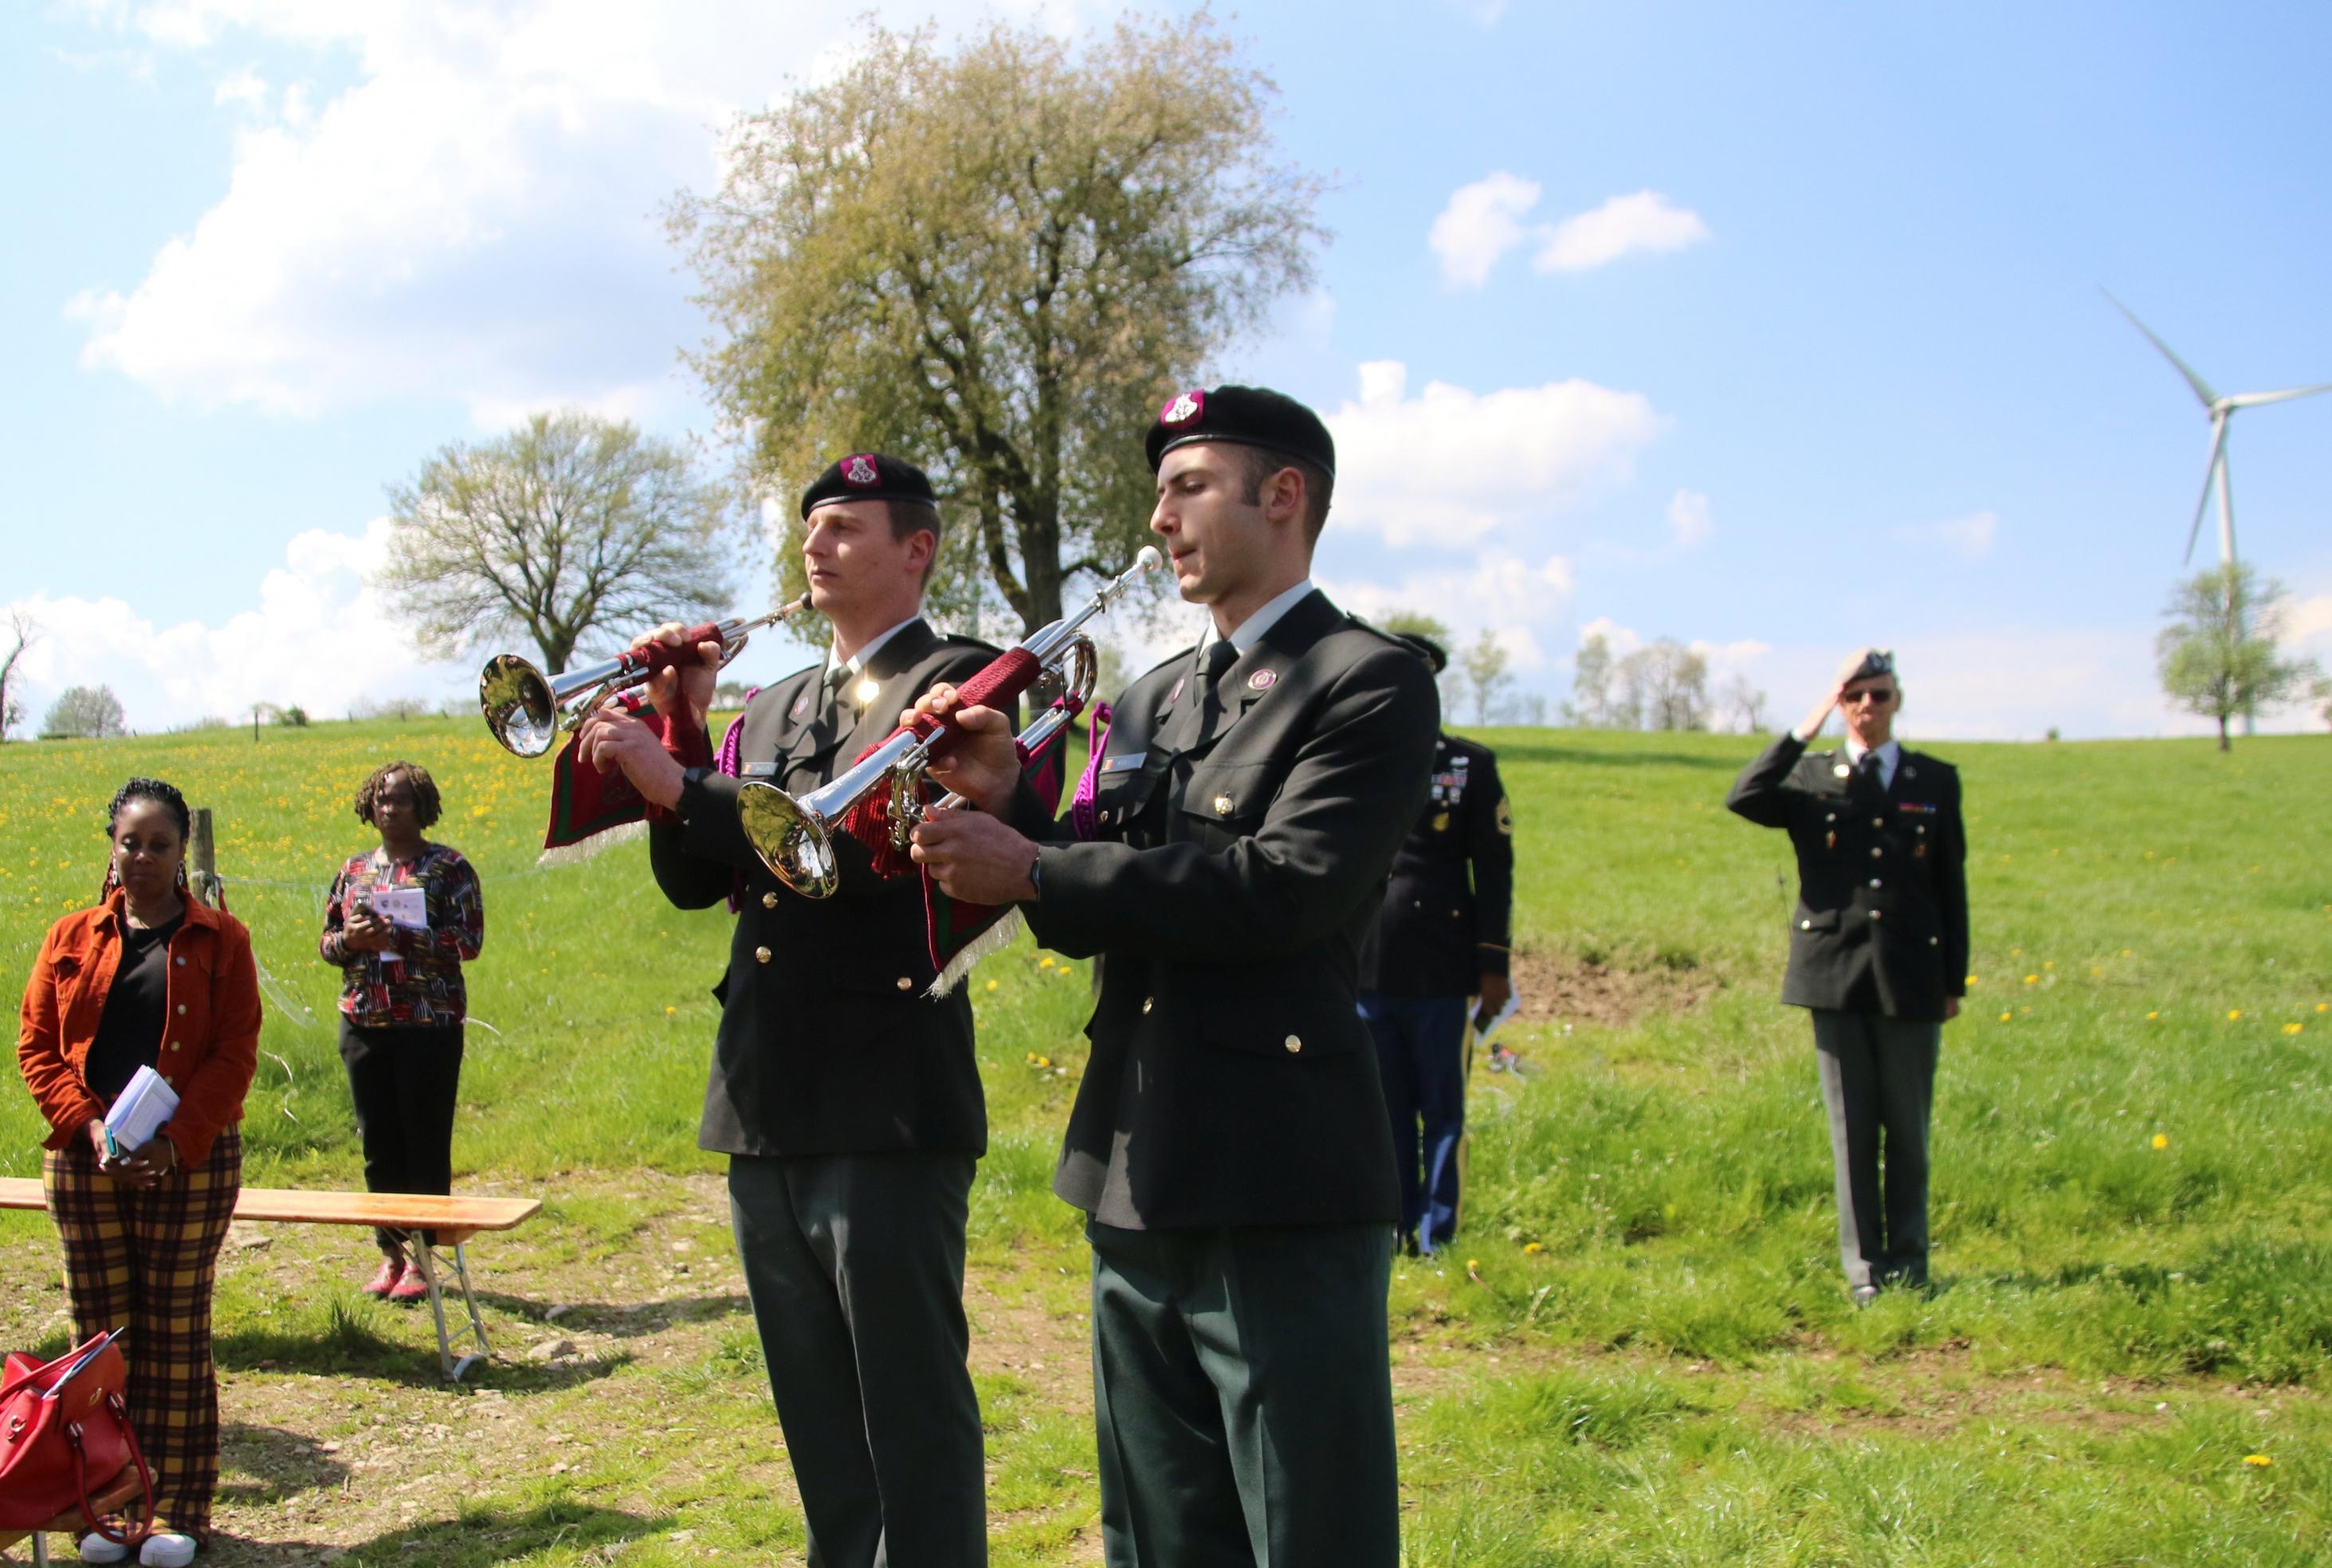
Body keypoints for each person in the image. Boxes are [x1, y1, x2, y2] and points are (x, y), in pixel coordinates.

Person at [906, 386, 1439, 1568]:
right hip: (1132, 1165)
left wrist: (1034, 866)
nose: (1159, 518)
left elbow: (1282, 892)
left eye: (1187, 485)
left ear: (1283, 496)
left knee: (1308, 1526)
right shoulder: (1152, 694)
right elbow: (1095, 900)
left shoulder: (1367, 680)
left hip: (1277, 1173)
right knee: (1154, 1531)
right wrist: (1009, 801)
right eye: (1160, 492)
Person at [575, 453, 1002, 1567]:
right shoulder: (777, 704)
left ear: (918, 549)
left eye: (847, 527)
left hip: (884, 1096)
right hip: (765, 1092)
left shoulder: (958, 680)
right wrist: (681, 724)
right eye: (809, 527)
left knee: (907, 1410)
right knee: (815, 1409)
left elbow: (846, 856)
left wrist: (681, 786)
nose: (815, 546)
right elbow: (691, 881)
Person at [16, 778, 261, 1567]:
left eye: (160, 843)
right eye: (131, 842)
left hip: (187, 1161)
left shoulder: (223, 939)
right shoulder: (69, 937)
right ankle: (106, 1503)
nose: (144, 857)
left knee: (175, 1332)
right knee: (102, 1339)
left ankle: (176, 1509)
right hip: (87, 1163)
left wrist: (178, 1140)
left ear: (182, 850)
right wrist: (85, 1127)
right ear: (111, 847)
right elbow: (37, 1045)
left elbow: (234, 1054)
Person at [1725, 648, 1968, 1303]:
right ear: (1840, 703)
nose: (1867, 707)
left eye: (1879, 695)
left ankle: (1911, 1266)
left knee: (1908, 1132)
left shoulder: (1934, 780)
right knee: (1851, 1131)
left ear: (1897, 701)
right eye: (1854, 695)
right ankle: (1864, 1270)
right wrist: (1806, 722)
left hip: (1912, 973)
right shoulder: (1809, 777)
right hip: (1834, 974)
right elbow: (1744, 796)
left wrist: (1955, 982)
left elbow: (1952, 884)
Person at [1359, 633, 1514, 1255]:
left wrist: (1493, 966)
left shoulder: (1468, 765)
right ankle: (1391, 1224)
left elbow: (1496, 870)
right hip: (1368, 965)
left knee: (1443, 1110)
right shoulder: (1354, 755)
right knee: (1384, 1108)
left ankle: (1438, 1233)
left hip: (1443, 972)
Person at [317, 762, 485, 1302]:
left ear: (423, 807)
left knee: (424, 1143)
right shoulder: (354, 870)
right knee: (378, 1145)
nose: (390, 808)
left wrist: (406, 937)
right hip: (364, 1022)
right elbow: (327, 944)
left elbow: (468, 942)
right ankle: (389, 1255)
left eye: (402, 800)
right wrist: (353, 942)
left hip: (427, 1026)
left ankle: (423, 1260)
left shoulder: (448, 868)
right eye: (382, 800)